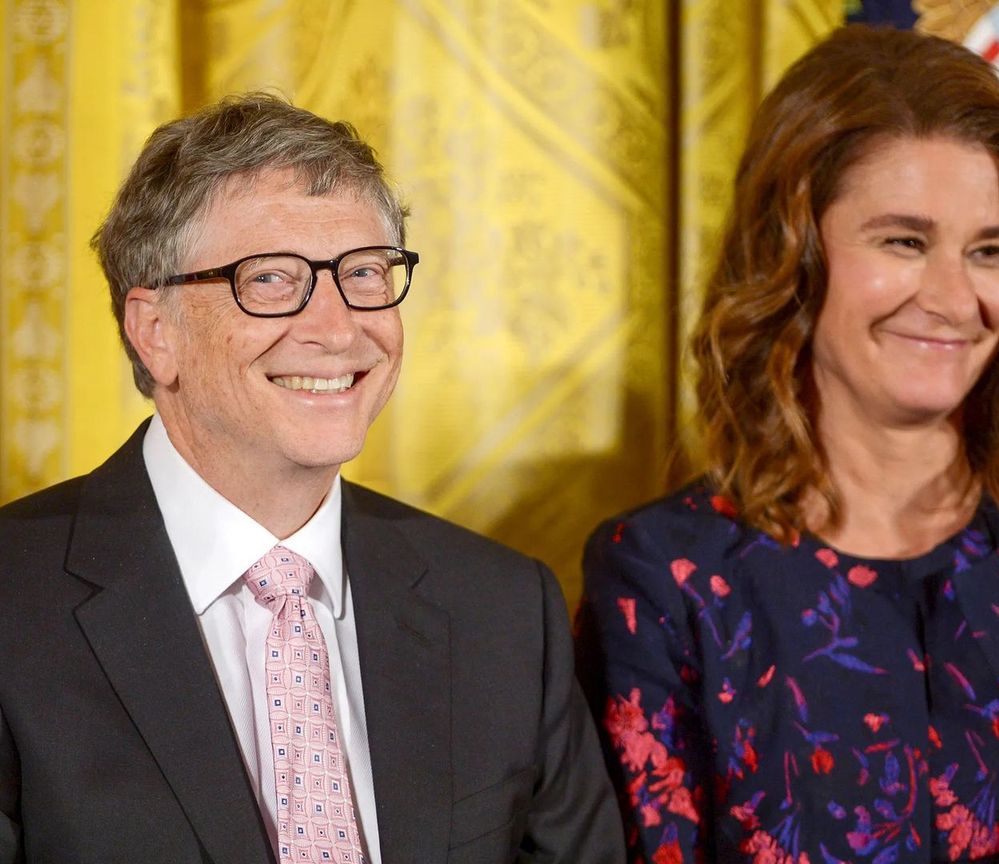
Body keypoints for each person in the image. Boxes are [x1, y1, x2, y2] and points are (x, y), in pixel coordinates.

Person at [575, 25, 999, 864]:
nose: (954, 298)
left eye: (989, 251)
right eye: (904, 242)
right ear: (793, 254)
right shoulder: (666, 581)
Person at [0, 93, 624, 864]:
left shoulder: (503, 611)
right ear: (156, 332)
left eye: (363, 272)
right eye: (269, 279)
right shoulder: (14, 602)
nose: (337, 328)